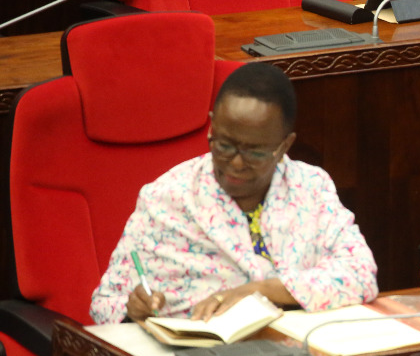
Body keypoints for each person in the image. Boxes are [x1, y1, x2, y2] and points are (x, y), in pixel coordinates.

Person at [90, 62, 378, 324]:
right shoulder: (166, 198)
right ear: (212, 126)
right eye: (224, 145)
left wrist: (259, 291)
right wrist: (132, 310)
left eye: (255, 152)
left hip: (297, 349)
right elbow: (104, 305)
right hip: (196, 354)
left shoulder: (311, 186)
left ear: (284, 146)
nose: (236, 163)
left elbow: (361, 275)